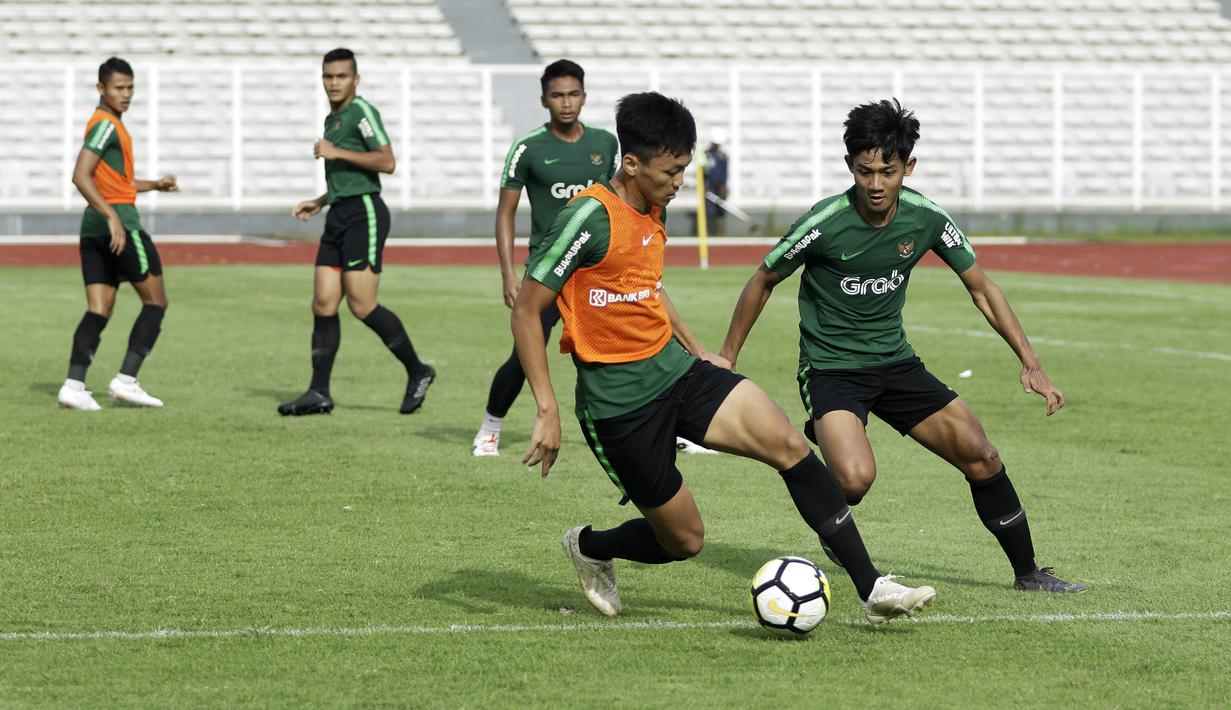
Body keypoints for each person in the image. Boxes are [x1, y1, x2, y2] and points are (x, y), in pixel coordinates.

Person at [512, 91, 937, 626]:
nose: (679, 182)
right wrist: (546, 409)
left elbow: (644, 285)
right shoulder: (587, 217)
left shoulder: (653, 203)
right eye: (671, 171)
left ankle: (872, 587)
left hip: (677, 372)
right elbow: (528, 311)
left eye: (684, 169)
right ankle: (593, 546)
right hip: (618, 405)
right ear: (632, 163)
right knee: (684, 540)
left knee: (787, 443)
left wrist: (698, 351)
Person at [719, 99, 1085, 593]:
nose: (875, 184)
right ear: (849, 165)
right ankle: (831, 471)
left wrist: (1030, 361)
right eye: (864, 171)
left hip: (896, 364)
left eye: (887, 172)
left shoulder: (925, 217)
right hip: (832, 370)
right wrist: (728, 360)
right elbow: (763, 279)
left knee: (981, 455)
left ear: (907, 167)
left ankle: (1029, 573)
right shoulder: (824, 222)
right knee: (852, 481)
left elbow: (982, 287)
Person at [471, 59, 618, 456]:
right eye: (557, 95)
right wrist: (507, 273)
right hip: (549, 271)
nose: (566, 103)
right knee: (525, 354)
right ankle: (490, 427)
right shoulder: (527, 148)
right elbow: (505, 212)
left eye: (573, 94)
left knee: (635, 348)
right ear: (543, 100)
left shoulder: (606, 144)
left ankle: (670, 428)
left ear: (584, 96)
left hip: (597, 270)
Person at [279, 48, 434, 416]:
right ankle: (319, 392)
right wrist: (320, 201)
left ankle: (418, 370)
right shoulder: (332, 119)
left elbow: (386, 161)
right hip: (339, 213)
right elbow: (345, 174)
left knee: (361, 305)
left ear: (355, 79)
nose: (334, 83)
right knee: (323, 303)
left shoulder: (361, 112)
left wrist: (335, 153)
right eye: (328, 76)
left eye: (341, 76)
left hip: (364, 213)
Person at [58, 57, 179, 410]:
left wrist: (155, 184)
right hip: (120, 225)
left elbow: (117, 183)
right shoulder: (106, 125)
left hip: (92, 228)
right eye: (118, 88)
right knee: (156, 302)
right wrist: (113, 217)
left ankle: (73, 385)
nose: (126, 94)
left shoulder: (108, 125)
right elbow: (80, 175)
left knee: (99, 308)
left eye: (130, 88)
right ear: (101, 89)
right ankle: (126, 380)